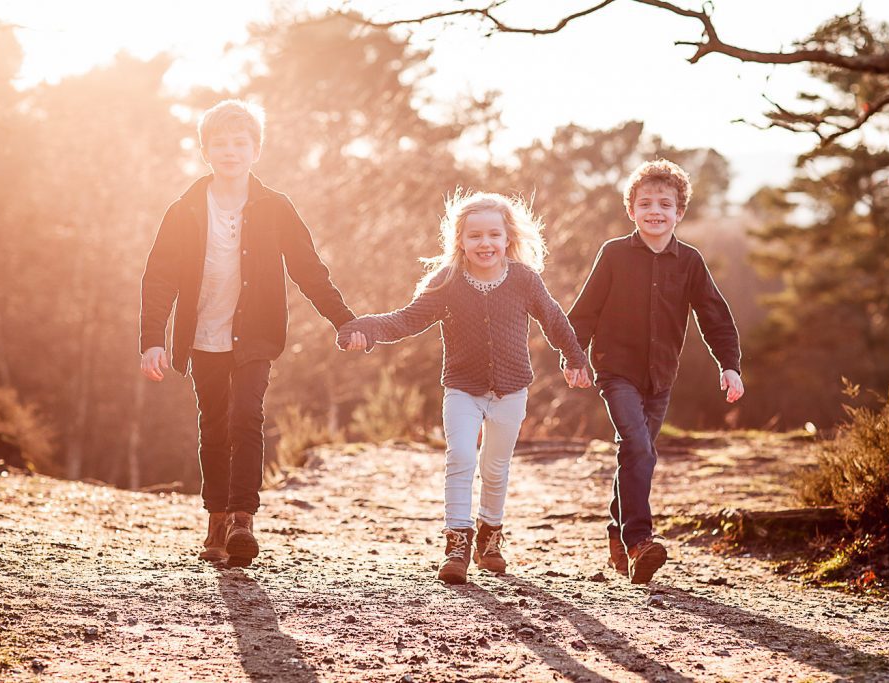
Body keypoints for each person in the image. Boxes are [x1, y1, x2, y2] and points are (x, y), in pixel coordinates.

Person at [139, 99, 355, 567]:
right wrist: (153, 339)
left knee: (246, 417)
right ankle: (215, 521)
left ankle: (242, 519)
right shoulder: (185, 210)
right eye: (221, 143)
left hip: (255, 334)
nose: (231, 151)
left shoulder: (276, 208)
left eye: (241, 143)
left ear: (256, 150)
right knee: (213, 425)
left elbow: (308, 270)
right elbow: (159, 277)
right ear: (206, 151)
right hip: (202, 336)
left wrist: (344, 319)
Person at [339, 190, 590, 584]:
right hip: (462, 388)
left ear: (508, 238)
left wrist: (574, 357)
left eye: (493, 235)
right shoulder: (448, 281)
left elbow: (554, 319)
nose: (485, 243)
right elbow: (407, 319)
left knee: (495, 468)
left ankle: (490, 538)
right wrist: (365, 329)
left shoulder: (524, 279)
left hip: (511, 388)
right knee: (460, 457)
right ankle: (457, 545)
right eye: (475, 236)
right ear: (460, 240)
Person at [568, 158, 744, 584]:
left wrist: (730, 365)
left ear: (679, 213)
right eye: (645, 202)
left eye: (665, 204)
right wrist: (574, 358)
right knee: (639, 448)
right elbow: (585, 311)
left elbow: (714, 315)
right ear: (630, 209)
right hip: (616, 371)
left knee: (635, 453)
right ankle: (640, 541)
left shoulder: (690, 262)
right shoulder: (613, 254)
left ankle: (617, 531)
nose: (655, 211)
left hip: (661, 376)